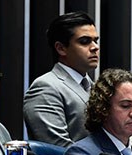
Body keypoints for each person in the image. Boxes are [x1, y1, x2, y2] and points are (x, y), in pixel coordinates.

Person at [23, 11, 100, 146]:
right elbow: (57, 148)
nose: (95, 47)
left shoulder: (96, 88)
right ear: (61, 48)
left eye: (95, 40)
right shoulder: (45, 87)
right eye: (84, 41)